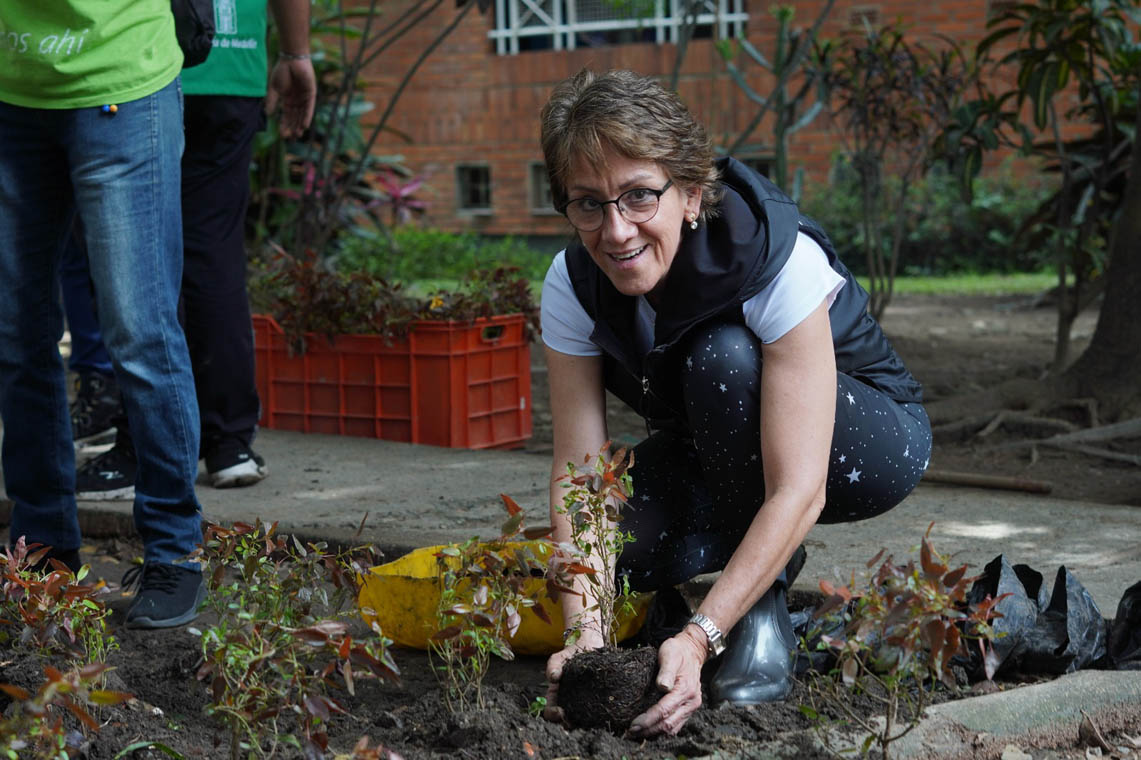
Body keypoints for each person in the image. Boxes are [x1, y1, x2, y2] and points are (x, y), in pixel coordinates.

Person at [537, 69, 932, 737]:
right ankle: (732, 580)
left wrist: (701, 635)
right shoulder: (570, 284)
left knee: (720, 356)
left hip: (861, 440)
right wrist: (587, 635)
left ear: (690, 195)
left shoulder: (775, 259)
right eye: (587, 204)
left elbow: (798, 486)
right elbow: (579, 475)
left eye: (639, 197)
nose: (615, 230)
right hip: (715, 446)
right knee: (610, 552)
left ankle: (757, 610)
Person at [0, 1, 205, 626]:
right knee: (14, 335)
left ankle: (176, 551)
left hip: (122, 82)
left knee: (139, 331)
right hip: (13, 92)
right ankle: (42, 548)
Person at [70, 0, 316, 498]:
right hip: (232, 65)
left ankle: (144, 448)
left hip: (138, 67)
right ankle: (230, 445)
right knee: (216, 257)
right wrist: (296, 52)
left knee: (136, 257)